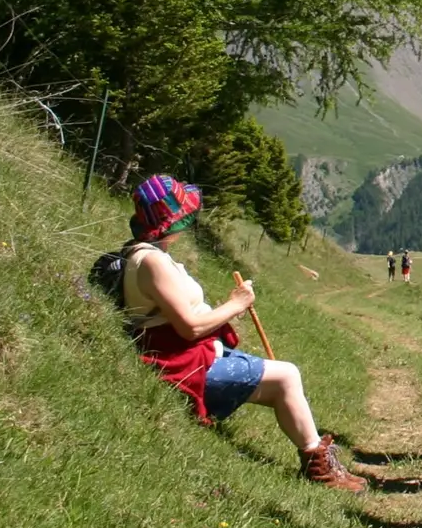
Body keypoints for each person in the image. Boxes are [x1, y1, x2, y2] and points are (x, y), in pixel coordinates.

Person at [119, 174, 363, 491]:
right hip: (182, 365)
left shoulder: (144, 254)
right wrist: (237, 304)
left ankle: (318, 456)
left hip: (188, 354)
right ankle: (319, 467)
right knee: (286, 375)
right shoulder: (153, 262)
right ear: (173, 221)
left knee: (282, 377)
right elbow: (189, 328)